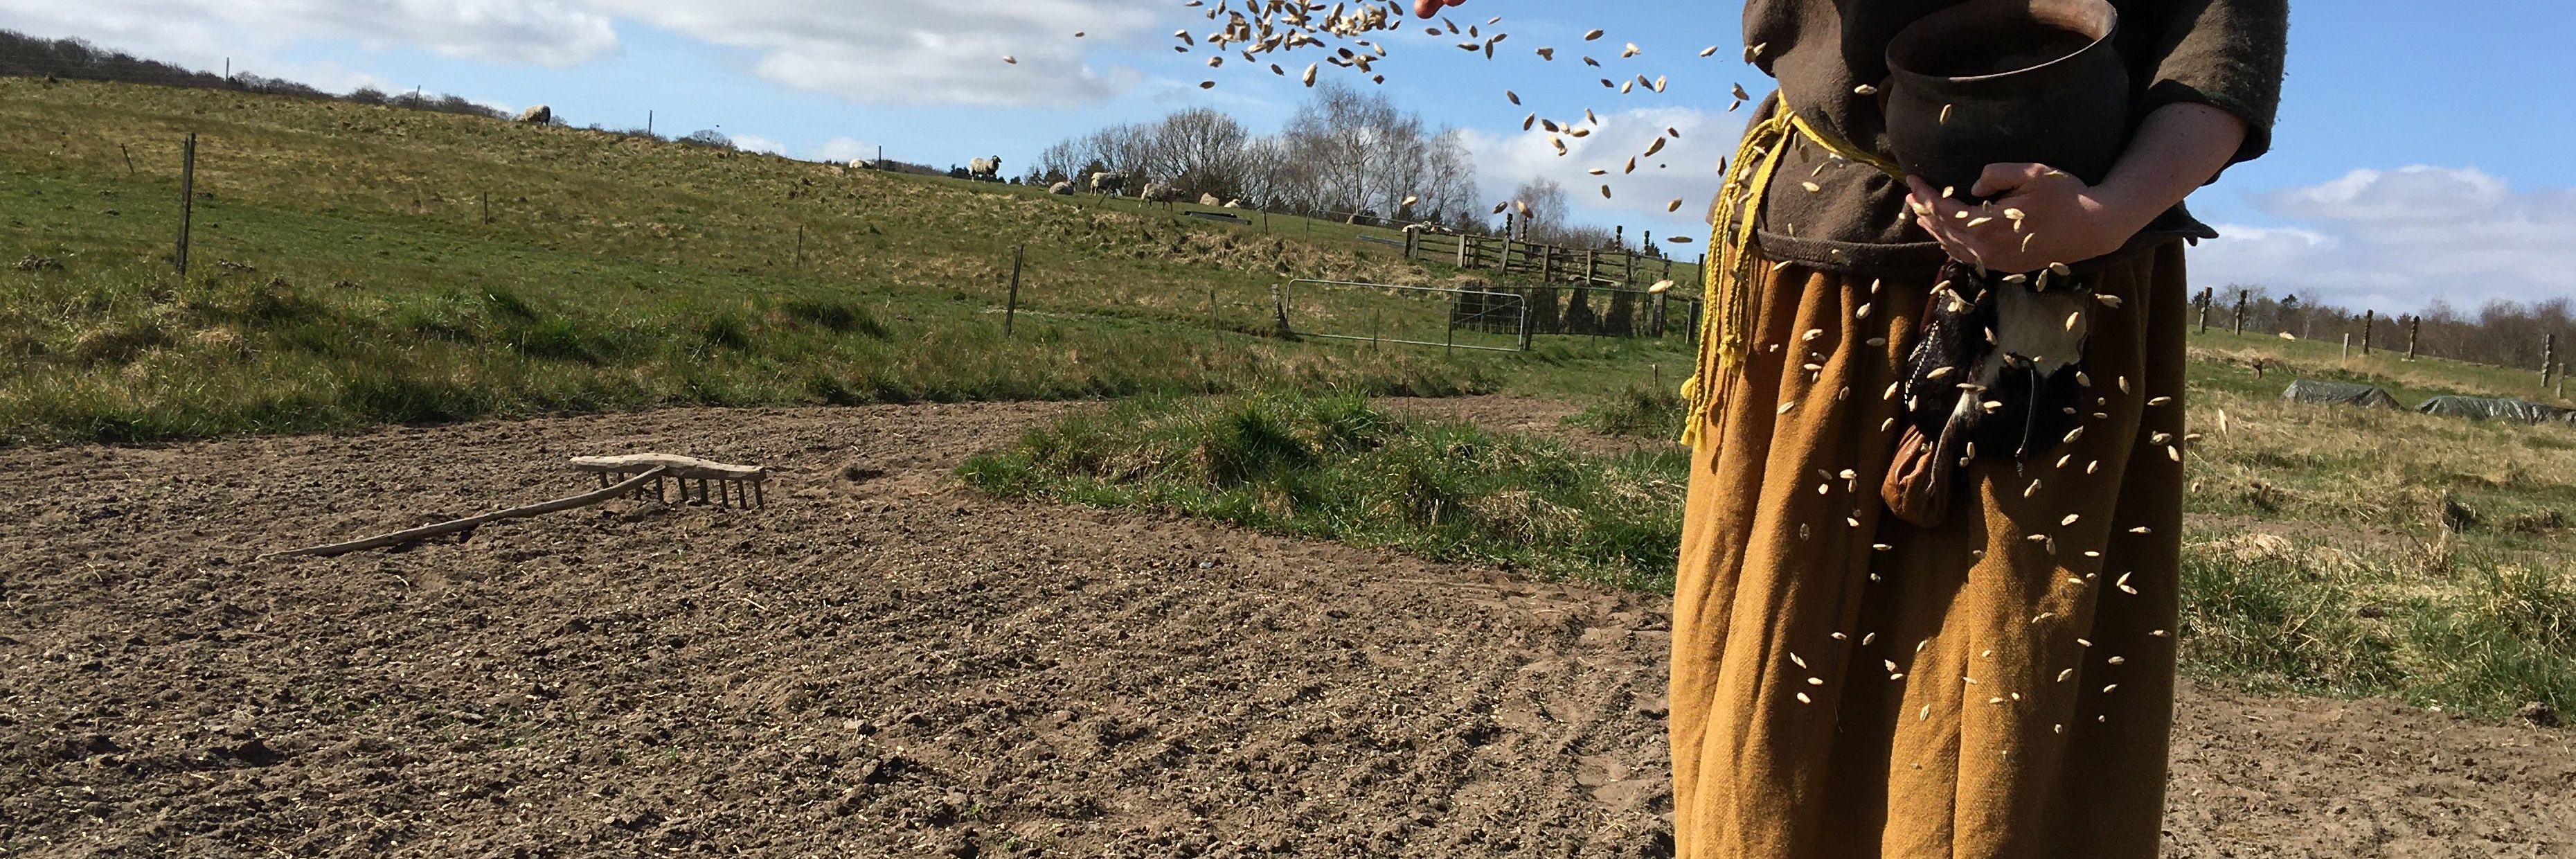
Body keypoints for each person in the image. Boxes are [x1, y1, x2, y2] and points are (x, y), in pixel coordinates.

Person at [1413, 1, 2287, 857]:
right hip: (1819, 284)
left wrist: (2108, 211)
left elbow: (2224, 29)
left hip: (2067, 321)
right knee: (1770, 741)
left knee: (2010, 740)